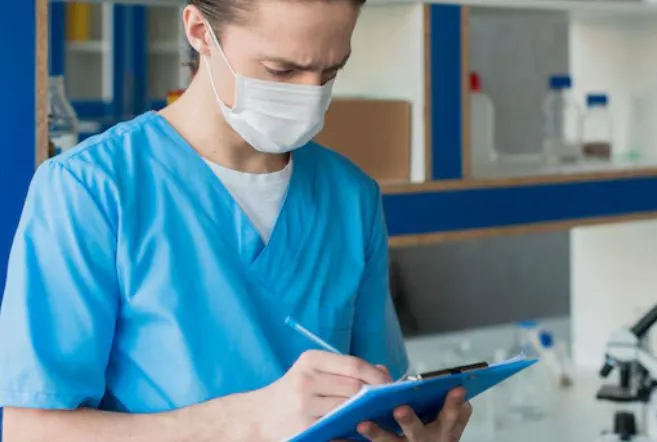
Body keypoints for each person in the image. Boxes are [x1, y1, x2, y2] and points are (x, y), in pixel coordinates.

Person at [0, 0, 472, 440]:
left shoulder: (350, 196)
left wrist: (408, 431)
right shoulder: (92, 188)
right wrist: (249, 419)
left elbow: (375, 403)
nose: (310, 95)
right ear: (200, 32)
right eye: (282, 70)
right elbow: (31, 431)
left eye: (330, 71)